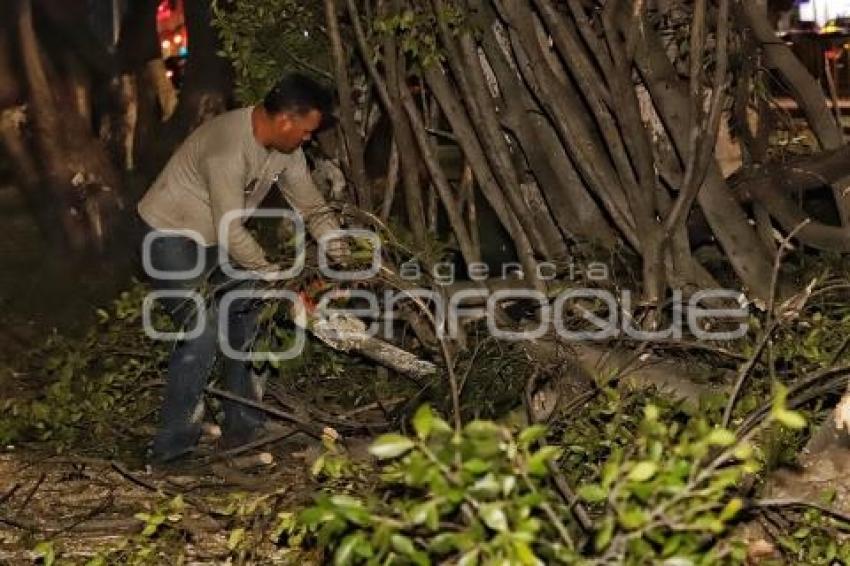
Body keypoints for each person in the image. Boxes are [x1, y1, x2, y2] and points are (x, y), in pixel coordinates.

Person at [137, 73, 345, 464]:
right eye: (305, 131)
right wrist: (272, 275)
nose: (307, 140)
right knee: (202, 331)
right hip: (167, 237)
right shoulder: (228, 148)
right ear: (284, 121)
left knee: (252, 313)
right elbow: (231, 227)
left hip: (213, 241)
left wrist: (343, 251)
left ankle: (243, 428)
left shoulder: (287, 152)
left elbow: (313, 207)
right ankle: (171, 450)